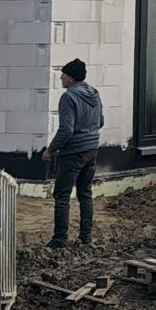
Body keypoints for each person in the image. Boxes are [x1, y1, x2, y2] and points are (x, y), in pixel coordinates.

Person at [45, 58, 103, 248]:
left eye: (63, 75)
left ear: (71, 78)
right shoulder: (94, 93)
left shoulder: (68, 97)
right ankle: (86, 237)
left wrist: (50, 149)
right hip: (92, 150)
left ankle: (59, 239)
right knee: (85, 193)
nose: (61, 78)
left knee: (62, 195)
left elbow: (66, 130)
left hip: (73, 152)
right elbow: (101, 121)